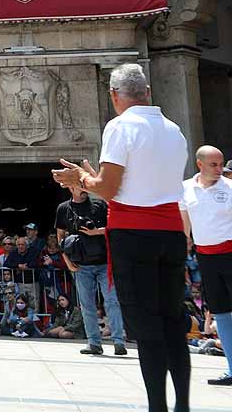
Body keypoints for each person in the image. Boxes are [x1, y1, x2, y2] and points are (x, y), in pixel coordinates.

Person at [53, 64, 190, 412]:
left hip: (135, 232)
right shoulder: (175, 130)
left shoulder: (120, 126)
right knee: (172, 319)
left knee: (146, 325)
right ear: (147, 91)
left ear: (114, 95)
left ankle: (157, 405)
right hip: (171, 231)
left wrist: (80, 177)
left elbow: (109, 189)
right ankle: (183, 404)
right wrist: (91, 177)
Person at [179, 145, 232, 385]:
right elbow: (185, 226)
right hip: (206, 257)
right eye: (214, 164)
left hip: (230, 253)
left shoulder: (230, 188)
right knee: (220, 312)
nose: (220, 169)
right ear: (199, 164)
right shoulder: (185, 188)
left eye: (221, 164)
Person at [56, 183, 127, 356]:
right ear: (71, 188)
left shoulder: (99, 205)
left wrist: (96, 232)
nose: (83, 188)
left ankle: (119, 341)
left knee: (112, 302)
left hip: (104, 263)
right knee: (87, 305)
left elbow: (114, 227)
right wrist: (67, 261)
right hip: (81, 265)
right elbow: (60, 237)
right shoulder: (63, 208)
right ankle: (94, 343)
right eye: (78, 185)